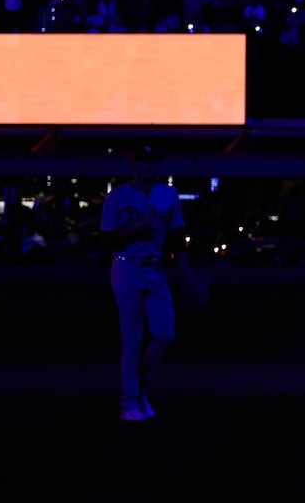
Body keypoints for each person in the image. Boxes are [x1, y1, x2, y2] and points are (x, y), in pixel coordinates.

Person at [100, 146, 192, 422]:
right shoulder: (117, 197)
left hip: (156, 267)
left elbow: (177, 237)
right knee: (133, 339)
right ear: (133, 164)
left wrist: (188, 274)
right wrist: (133, 228)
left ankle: (139, 388)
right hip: (126, 265)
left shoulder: (168, 194)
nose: (148, 166)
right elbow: (106, 242)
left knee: (165, 334)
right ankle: (129, 401)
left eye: (153, 161)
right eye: (143, 161)